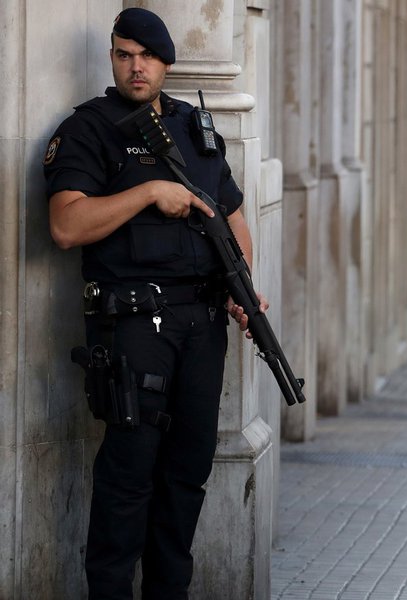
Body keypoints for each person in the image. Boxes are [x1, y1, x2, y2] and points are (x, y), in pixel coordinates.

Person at [43, 8, 265, 597]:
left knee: (187, 471)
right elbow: (65, 225)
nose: (135, 67)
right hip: (132, 324)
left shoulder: (196, 128)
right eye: (123, 54)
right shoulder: (91, 128)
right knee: (128, 473)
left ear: (167, 61)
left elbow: (233, 216)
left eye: (146, 55)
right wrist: (146, 192)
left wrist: (242, 290)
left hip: (201, 321)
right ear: (112, 59)